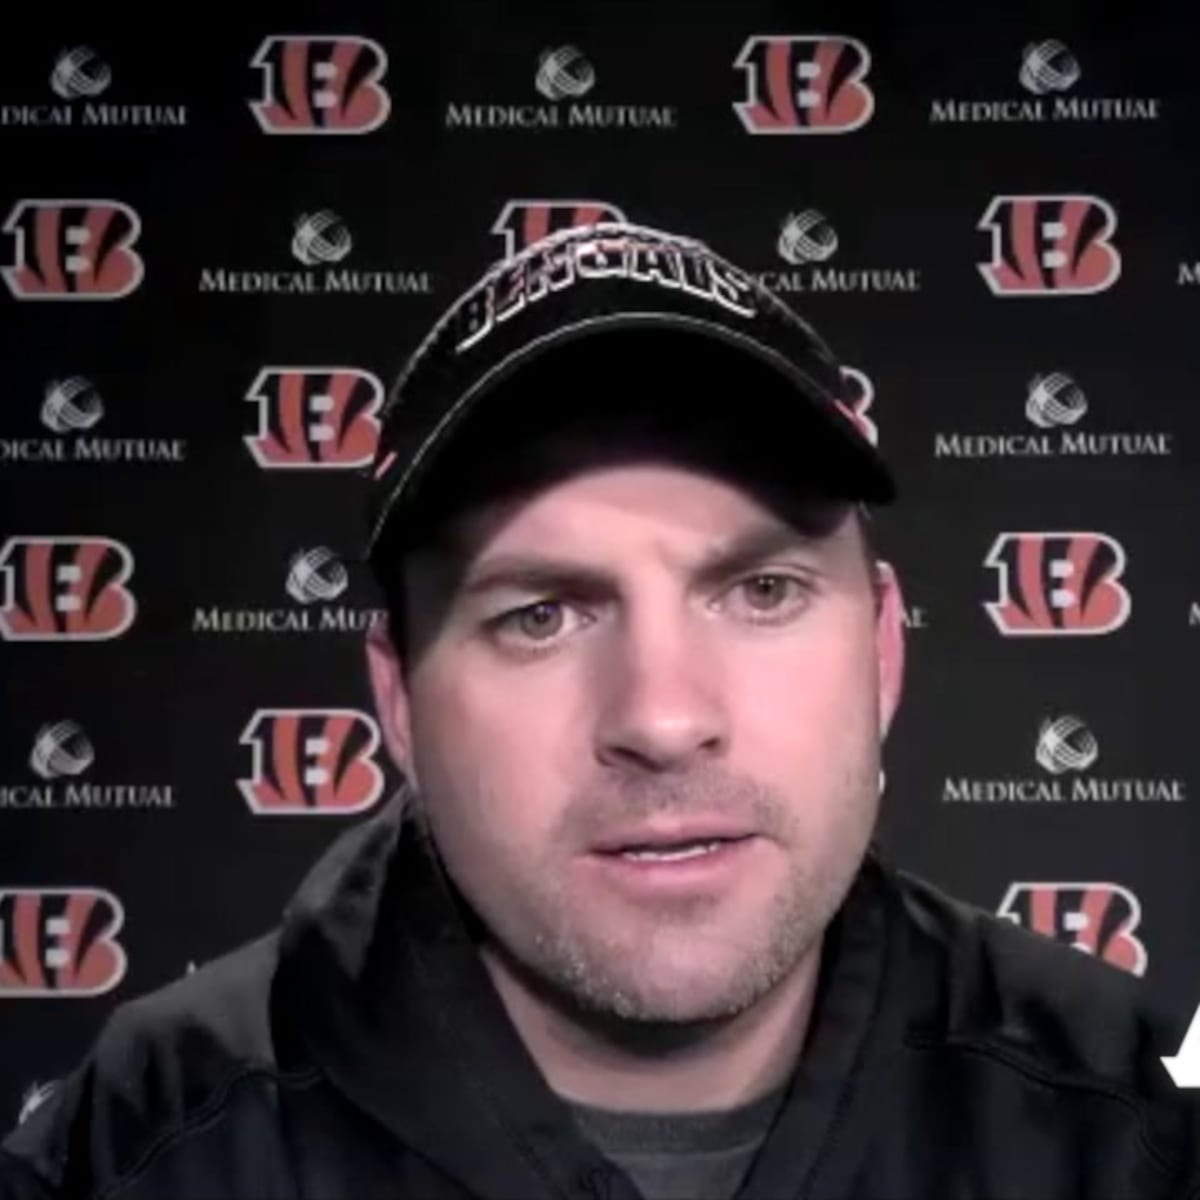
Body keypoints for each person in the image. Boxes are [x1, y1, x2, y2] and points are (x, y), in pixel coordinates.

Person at [2, 222, 1197, 1200]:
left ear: (883, 652)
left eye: (763, 590)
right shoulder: (146, 1151)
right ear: (397, 702)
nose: (665, 719)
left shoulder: (1130, 1129)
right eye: (542, 615)